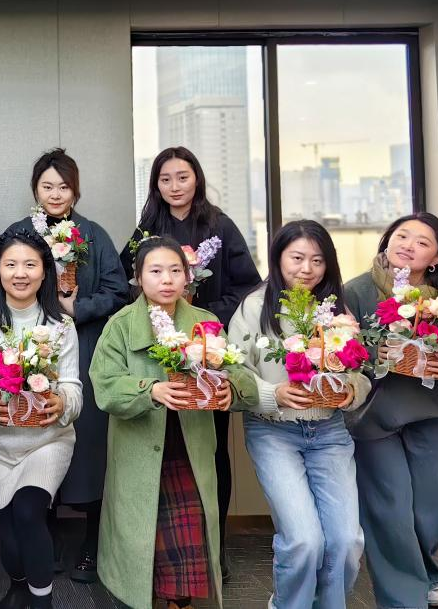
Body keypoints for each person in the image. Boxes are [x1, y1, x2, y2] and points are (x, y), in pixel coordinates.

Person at [91, 235, 258, 609]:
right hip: (140, 450)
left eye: (174, 271)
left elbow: (240, 375)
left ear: (187, 277)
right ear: (138, 278)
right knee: (144, 539)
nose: (166, 279)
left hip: (190, 447)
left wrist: (230, 389)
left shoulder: (205, 323)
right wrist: (149, 390)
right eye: (155, 271)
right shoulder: (120, 326)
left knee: (187, 539)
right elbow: (104, 386)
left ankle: (178, 603)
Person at [121, 146, 261, 576]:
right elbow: (129, 282)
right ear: (155, 185)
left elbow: (248, 285)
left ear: (196, 178)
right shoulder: (147, 228)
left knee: (210, 451)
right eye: (165, 179)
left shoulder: (220, 225)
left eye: (182, 177)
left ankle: (215, 548)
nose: (174, 186)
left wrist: (204, 314)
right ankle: (165, 553)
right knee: (163, 453)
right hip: (157, 354)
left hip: (206, 350)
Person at [343, 213, 438, 609]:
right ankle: (404, 598)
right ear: (387, 240)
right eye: (402, 235)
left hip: (428, 416)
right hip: (374, 420)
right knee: (390, 510)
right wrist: (374, 353)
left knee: (428, 511)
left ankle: (429, 575)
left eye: (422, 242)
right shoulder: (355, 291)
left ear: (436, 258)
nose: (408, 245)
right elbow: (339, 353)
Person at [228, 220, 368, 609]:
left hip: (330, 433)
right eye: (297, 258)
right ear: (278, 259)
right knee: (305, 540)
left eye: (317, 260)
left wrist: (349, 392)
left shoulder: (336, 311)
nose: (307, 269)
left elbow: (360, 373)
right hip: (273, 433)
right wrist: (273, 394)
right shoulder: (255, 307)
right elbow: (233, 371)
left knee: (346, 542)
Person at [5, 147, 128, 583]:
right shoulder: (19, 233)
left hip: (87, 348)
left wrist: (80, 308)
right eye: (47, 186)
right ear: (35, 190)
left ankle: (93, 542)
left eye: (63, 186)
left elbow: (119, 291)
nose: (55, 194)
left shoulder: (93, 234)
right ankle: (48, 535)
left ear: (75, 190)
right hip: (30, 350)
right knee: (37, 433)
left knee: (89, 441)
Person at [0, 227, 82, 609]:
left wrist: (61, 403)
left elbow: (73, 387)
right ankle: (19, 586)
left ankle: (42, 602)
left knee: (29, 513)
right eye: (11, 264)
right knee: (10, 540)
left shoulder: (60, 325)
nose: (20, 273)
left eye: (30, 265)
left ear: (44, 270)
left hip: (47, 441)